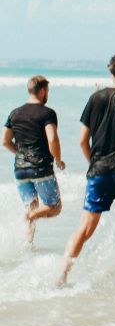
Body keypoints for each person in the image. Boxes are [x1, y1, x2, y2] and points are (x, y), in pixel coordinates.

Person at [58, 54, 115, 286]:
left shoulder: (95, 98)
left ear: (111, 72)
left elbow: (82, 140)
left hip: (99, 170)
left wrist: (94, 162)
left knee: (85, 227)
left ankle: (62, 275)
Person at [2, 75, 66, 243]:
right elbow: (52, 139)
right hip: (41, 168)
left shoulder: (14, 113)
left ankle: (27, 247)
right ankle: (29, 216)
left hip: (20, 170)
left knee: (32, 207)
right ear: (43, 91)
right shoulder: (47, 113)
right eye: (48, 92)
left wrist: (21, 153)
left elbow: (5, 141)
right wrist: (58, 159)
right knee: (54, 207)